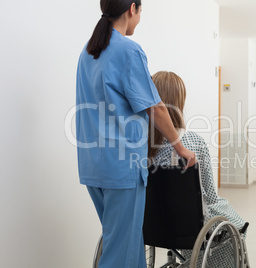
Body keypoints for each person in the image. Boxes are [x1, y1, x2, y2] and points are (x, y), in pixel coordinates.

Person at [75, 1, 196, 267]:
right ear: (132, 8)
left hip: (93, 165)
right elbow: (156, 107)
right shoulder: (128, 50)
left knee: (126, 247)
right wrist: (181, 148)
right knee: (120, 254)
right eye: (140, 12)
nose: (140, 18)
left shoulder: (88, 53)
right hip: (121, 167)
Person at [149, 71, 246, 266]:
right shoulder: (192, 142)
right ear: (180, 101)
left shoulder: (139, 145)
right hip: (188, 226)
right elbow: (210, 195)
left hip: (151, 225)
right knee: (236, 226)